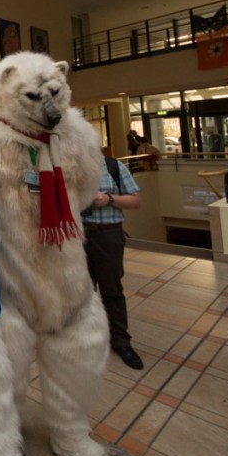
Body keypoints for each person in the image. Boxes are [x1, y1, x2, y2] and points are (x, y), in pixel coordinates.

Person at [82, 155, 143, 369]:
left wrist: (108, 199)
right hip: (78, 238)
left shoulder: (112, 166)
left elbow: (136, 200)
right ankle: (88, 340)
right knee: (83, 292)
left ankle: (121, 341)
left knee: (112, 289)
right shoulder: (68, 166)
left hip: (108, 235)